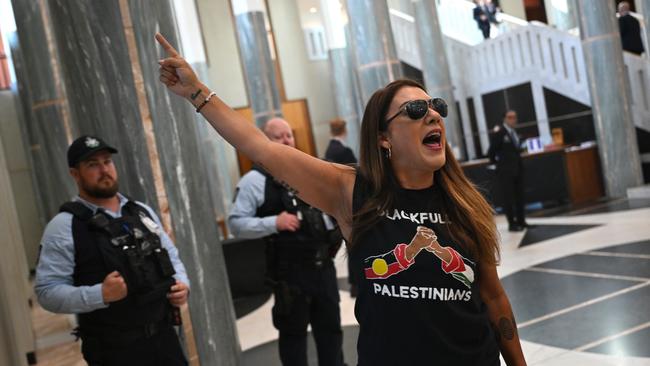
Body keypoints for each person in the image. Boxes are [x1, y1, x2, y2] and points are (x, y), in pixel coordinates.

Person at [156, 33, 527, 365]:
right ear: (384, 138)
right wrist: (195, 91)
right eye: (416, 110)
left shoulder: (464, 202)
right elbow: (261, 147)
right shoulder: (354, 192)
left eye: (437, 107)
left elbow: (493, 299)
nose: (432, 115)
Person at [34, 135, 190, 366]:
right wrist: (101, 294)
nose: (104, 169)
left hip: (165, 340)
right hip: (114, 351)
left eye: (107, 161)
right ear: (75, 174)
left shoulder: (140, 211)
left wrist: (181, 284)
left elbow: (171, 255)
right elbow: (47, 292)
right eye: (92, 165)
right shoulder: (64, 226)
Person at [228, 118, 346, 366]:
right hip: (289, 275)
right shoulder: (253, 181)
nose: (286, 141)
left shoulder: (309, 171)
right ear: (266, 141)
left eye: (289, 135)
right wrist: (274, 222)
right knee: (293, 337)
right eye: (278, 137)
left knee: (331, 332)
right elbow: (236, 224)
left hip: (322, 269)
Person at [324, 118, 358, 298]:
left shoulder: (329, 150)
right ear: (344, 130)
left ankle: (355, 283)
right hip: (349, 204)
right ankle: (357, 282)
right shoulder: (344, 151)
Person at [487, 111, 528, 232]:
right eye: (510, 117)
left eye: (515, 117)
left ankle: (521, 221)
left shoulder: (514, 133)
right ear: (504, 119)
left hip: (518, 169)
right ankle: (512, 223)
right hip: (505, 171)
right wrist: (498, 165)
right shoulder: (500, 132)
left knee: (520, 196)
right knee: (508, 198)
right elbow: (491, 152)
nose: (513, 120)